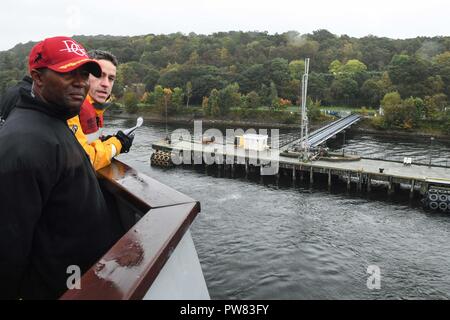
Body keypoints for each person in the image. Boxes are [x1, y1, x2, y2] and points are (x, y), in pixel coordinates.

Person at [0, 36, 124, 299]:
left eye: (83, 73)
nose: (81, 82)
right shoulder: (24, 145)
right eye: (68, 73)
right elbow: (8, 247)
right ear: (38, 77)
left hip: (78, 280)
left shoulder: (52, 121)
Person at [67, 50, 133, 170]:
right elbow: (87, 160)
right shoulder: (70, 109)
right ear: (84, 76)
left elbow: (88, 143)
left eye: (111, 78)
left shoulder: (96, 109)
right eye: (99, 75)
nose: (106, 84)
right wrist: (117, 143)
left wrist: (105, 141)